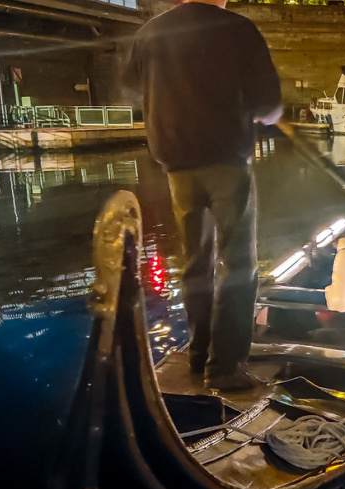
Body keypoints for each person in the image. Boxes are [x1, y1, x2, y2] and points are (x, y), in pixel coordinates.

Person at [124, 0, 282, 393]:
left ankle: (199, 353)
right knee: (238, 264)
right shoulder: (238, 28)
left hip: (177, 166)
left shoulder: (150, 32)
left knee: (196, 262)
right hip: (225, 161)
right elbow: (268, 104)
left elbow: (131, 89)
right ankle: (225, 367)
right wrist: (265, 113)